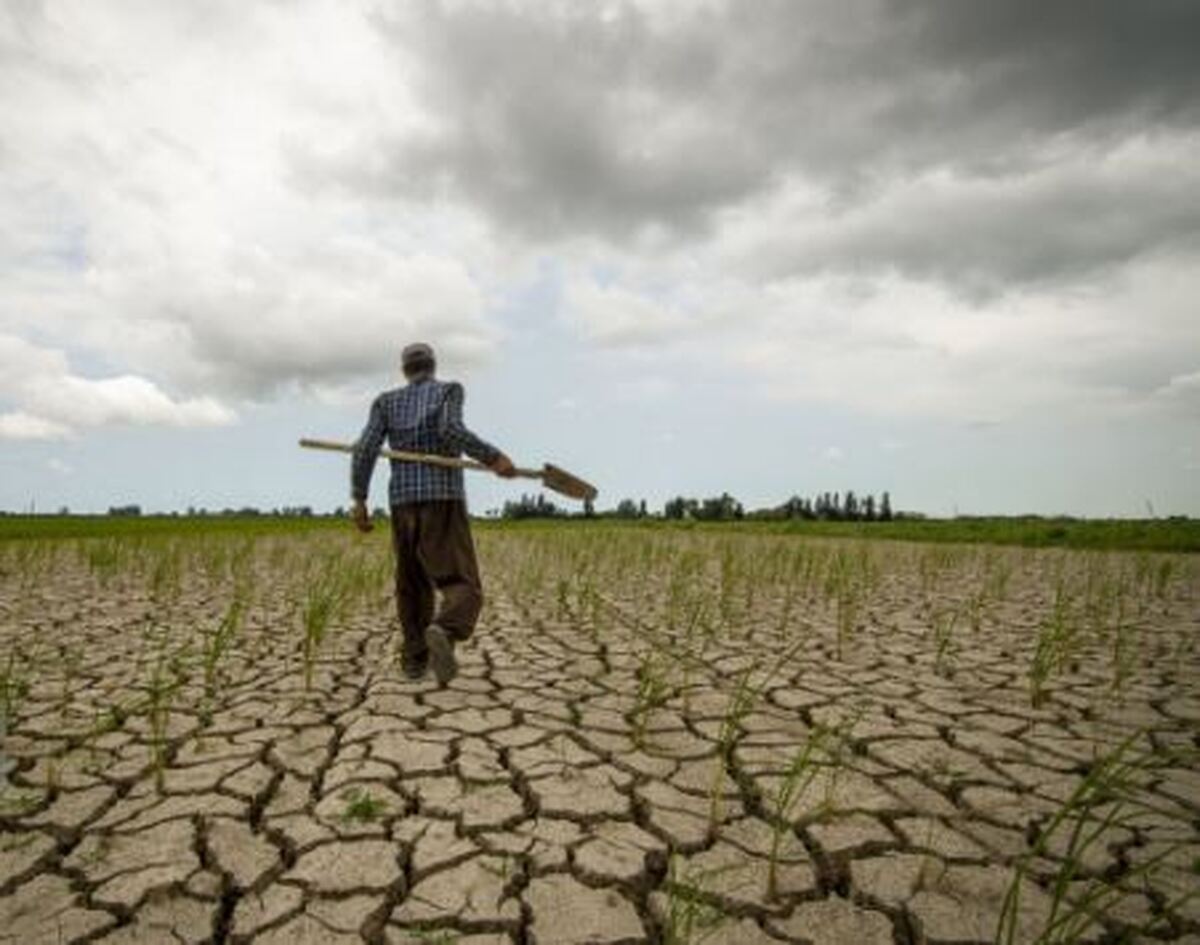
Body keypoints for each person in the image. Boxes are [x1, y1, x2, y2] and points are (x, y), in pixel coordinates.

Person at [350, 343, 516, 686]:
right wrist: (492, 457)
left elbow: (366, 447)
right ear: (432, 366)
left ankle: (414, 660)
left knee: (411, 584)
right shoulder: (448, 391)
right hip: (442, 500)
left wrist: (360, 498)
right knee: (459, 580)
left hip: (402, 503)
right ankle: (444, 628)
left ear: (405, 370)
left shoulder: (385, 402)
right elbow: (450, 430)